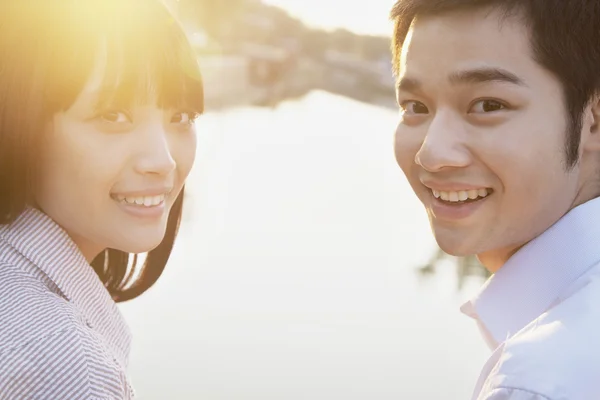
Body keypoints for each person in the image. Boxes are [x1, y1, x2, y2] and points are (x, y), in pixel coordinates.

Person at [390, 0, 600, 398]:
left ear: (593, 120)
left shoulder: (537, 381)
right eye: (415, 107)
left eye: (488, 105)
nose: (432, 153)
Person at [0, 1, 203, 398]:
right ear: (19, 124)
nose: (162, 161)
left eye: (181, 116)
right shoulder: (62, 363)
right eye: (112, 116)